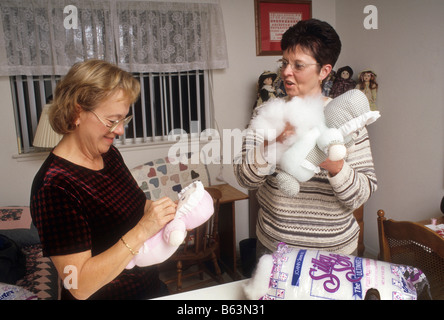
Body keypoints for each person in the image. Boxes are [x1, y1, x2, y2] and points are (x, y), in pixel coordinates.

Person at [30, 59, 177, 300]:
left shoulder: (109, 155)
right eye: (112, 120)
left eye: (124, 120)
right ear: (78, 112)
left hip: (150, 289)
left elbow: (138, 207)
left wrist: (170, 214)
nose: (120, 130)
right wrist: (143, 230)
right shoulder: (54, 186)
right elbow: (76, 285)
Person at [234, 19, 377, 258]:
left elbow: (363, 192)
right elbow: (244, 178)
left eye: (298, 65)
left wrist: (335, 166)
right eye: (284, 62)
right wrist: (275, 142)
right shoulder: (267, 114)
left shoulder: (346, 120)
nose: (286, 72)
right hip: (274, 247)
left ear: (324, 71)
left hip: (335, 252)